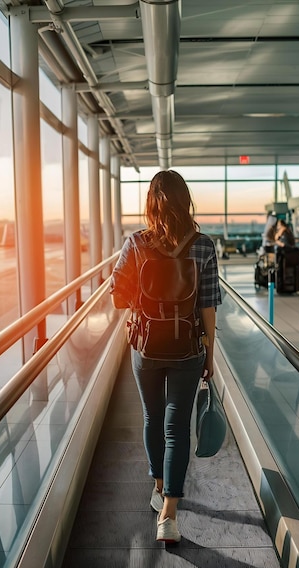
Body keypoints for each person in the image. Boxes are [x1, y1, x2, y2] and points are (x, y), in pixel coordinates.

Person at [109, 170, 222, 543]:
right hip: (188, 348)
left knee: (152, 418)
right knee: (177, 427)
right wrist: (210, 355)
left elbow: (118, 297)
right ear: (185, 201)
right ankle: (170, 516)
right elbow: (208, 307)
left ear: (151, 205)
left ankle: (158, 486)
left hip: (146, 346)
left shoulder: (136, 243)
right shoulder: (204, 245)